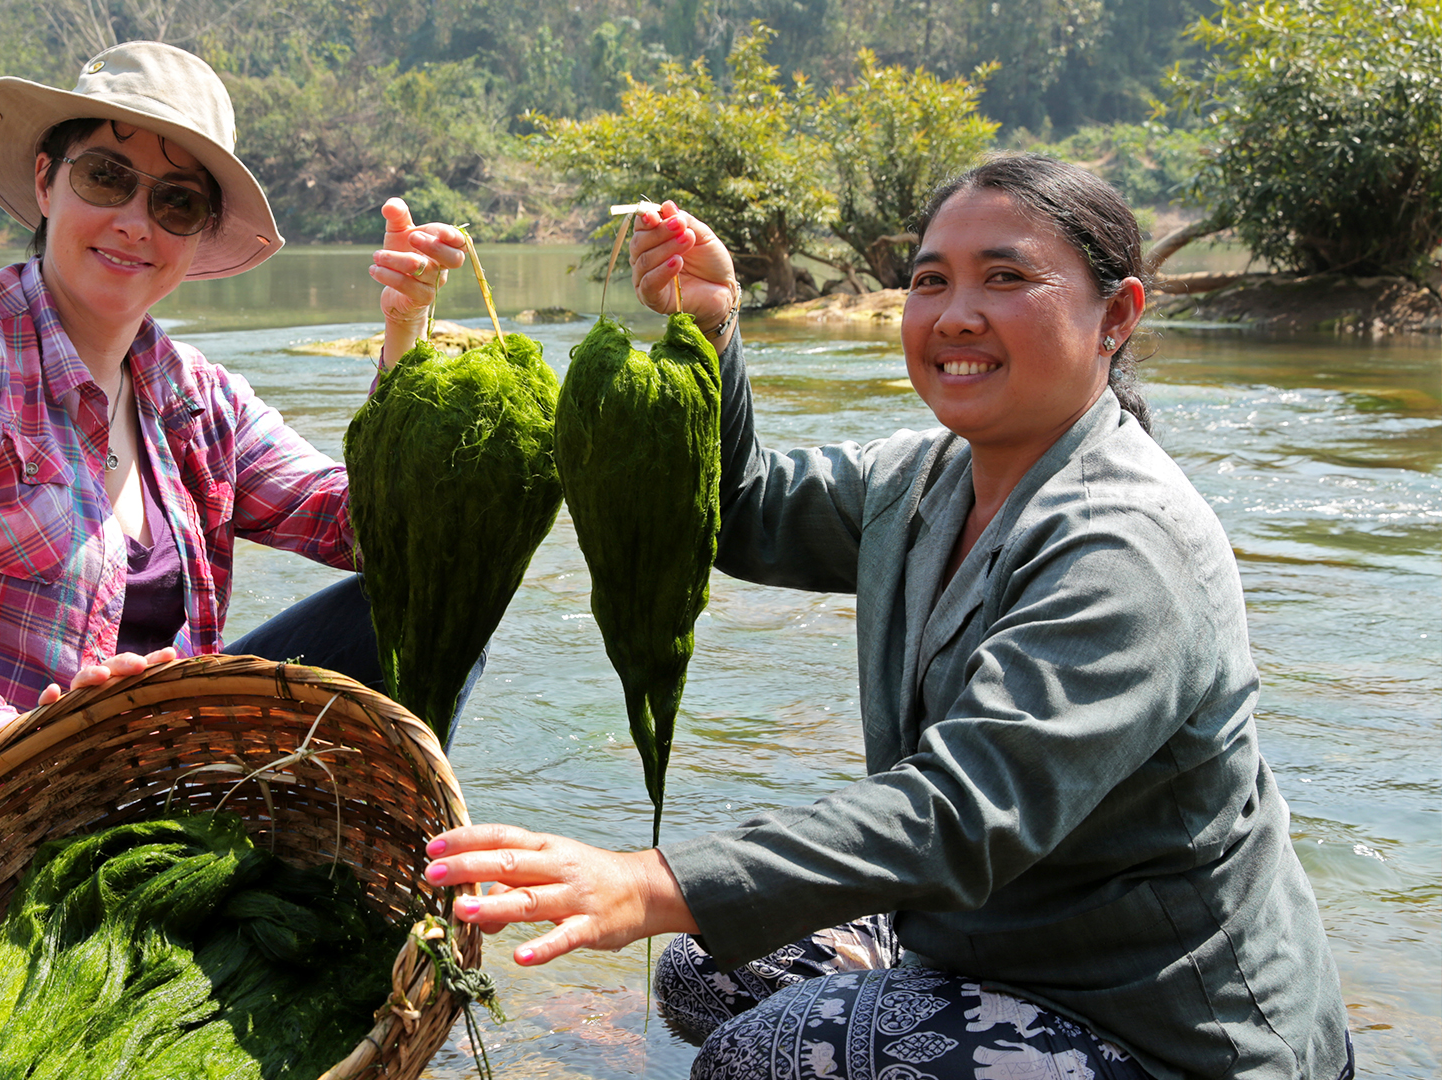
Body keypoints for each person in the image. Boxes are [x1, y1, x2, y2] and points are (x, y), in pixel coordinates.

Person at [424, 155, 1352, 1080]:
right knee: (706, 972)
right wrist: (711, 325)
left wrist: (647, 880)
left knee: (762, 1056)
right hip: (985, 942)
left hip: (1158, 1022)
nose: (955, 315)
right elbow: (737, 507)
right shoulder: (922, 480)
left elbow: (962, 813)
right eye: (930, 281)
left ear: (1116, 316)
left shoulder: (1128, 547)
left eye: (1005, 278)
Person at [0, 40, 473, 927]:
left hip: (134, 813)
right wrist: (49, 742)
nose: (134, 222)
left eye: (176, 201)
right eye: (107, 177)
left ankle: (386, 885)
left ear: (197, 237)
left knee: (434, 598)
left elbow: (369, 530)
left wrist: (406, 341)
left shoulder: (192, 396)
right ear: (48, 182)